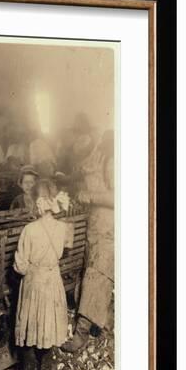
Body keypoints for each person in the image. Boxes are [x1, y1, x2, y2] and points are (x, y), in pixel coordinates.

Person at [13, 181, 72, 370]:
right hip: (53, 283)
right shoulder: (63, 228)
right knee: (49, 333)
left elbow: (20, 266)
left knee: (29, 334)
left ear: (39, 203)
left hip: (34, 283)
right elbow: (64, 253)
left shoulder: (29, 230)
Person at [62, 130, 114, 352]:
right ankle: (104, 324)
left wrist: (90, 196)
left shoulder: (112, 161)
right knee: (92, 277)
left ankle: (81, 335)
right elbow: (83, 175)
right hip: (95, 228)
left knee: (97, 277)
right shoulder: (95, 159)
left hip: (108, 230)